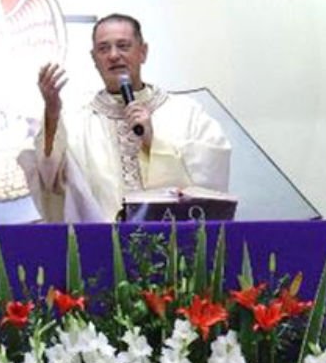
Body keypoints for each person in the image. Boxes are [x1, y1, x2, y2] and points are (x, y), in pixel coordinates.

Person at [20, 13, 231, 222]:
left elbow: (210, 185)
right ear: (94, 59)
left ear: (143, 52)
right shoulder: (75, 121)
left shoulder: (187, 113)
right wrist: (52, 113)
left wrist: (152, 144)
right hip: (101, 247)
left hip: (175, 248)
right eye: (103, 49)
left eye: (123, 46)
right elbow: (50, 179)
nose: (113, 55)